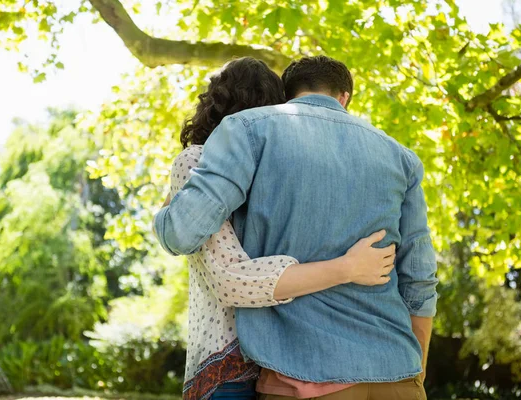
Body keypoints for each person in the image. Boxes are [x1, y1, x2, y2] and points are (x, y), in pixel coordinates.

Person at [155, 55, 438, 400]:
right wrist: (415, 375)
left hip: (306, 378)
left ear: (287, 97)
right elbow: (419, 280)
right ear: (345, 96)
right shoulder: (403, 158)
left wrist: (164, 213)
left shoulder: (248, 130)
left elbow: (182, 233)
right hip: (398, 375)